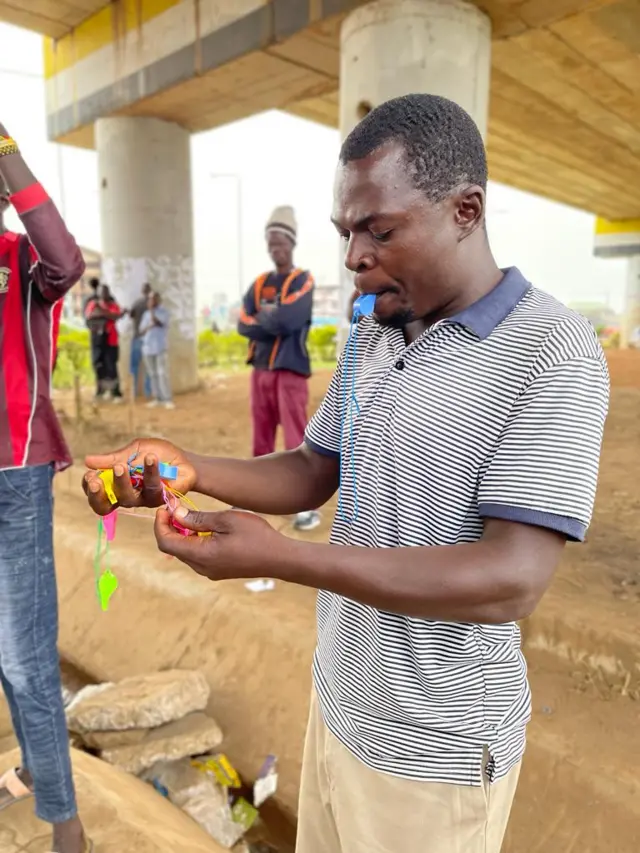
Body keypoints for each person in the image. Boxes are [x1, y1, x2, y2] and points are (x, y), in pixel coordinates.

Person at [83, 94, 610, 853]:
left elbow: (511, 578)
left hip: (434, 756)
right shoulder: (374, 328)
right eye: (345, 232)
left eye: (380, 229)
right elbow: (312, 466)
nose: (355, 256)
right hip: (338, 704)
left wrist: (283, 558)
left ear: (467, 209)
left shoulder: (550, 351)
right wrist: (186, 466)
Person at [0, 124, 92, 852]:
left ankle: (66, 823)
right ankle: (34, 764)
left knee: (26, 652)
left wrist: (9, 154)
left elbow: (69, 257)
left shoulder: (24, 260)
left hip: (15, 473)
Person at [237, 205, 319, 532]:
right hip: (261, 372)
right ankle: (258, 499)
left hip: (290, 371)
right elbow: (243, 324)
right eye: (270, 244)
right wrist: (271, 320)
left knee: (297, 441)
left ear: (292, 243)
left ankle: (306, 507)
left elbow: (291, 319)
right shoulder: (259, 284)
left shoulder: (303, 279)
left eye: (280, 243)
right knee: (261, 439)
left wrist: (265, 318)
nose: (275, 250)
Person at [85, 284, 124, 403]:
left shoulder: (113, 305)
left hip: (111, 340)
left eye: (105, 292)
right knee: (98, 365)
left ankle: (116, 393)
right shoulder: (92, 304)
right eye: (101, 292)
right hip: (97, 340)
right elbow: (89, 317)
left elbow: (116, 316)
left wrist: (101, 311)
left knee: (111, 366)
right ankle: (101, 391)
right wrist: (106, 315)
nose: (103, 294)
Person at [140, 290, 174, 410]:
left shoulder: (163, 312)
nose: (151, 301)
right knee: (152, 374)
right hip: (148, 347)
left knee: (162, 373)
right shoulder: (145, 315)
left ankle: (167, 399)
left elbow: (159, 323)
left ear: (158, 300)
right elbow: (141, 331)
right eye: (149, 299)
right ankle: (157, 398)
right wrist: (148, 325)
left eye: (153, 299)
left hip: (160, 347)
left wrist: (151, 312)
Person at [129, 282, 152, 399]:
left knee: (134, 367)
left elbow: (131, 315)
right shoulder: (153, 304)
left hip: (137, 337)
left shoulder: (137, 303)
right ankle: (148, 393)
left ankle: (134, 392)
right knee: (149, 367)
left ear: (143, 291)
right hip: (149, 340)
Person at [83, 277, 105, 399]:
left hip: (97, 334)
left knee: (97, 362)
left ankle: (100, 389)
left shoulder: (89, 299)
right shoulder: (106, 297)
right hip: (103, 333)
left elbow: (86, 318)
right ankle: (103, 389)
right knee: (103, 362)